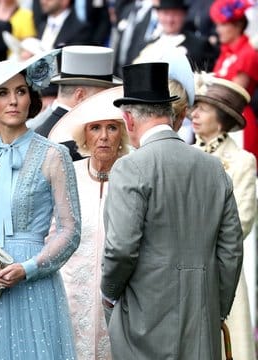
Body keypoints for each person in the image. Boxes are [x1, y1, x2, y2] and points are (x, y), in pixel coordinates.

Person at [101, 62, 243, 359]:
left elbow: (122, 248)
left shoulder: (131, 167)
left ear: (128, 119)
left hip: (144, 321)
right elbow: (231, 250)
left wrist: (109, 292)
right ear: (169, 114)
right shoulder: (213, 167)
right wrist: (217, 307)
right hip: (201, 318)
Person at [0, 55, 81, 359]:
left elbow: (70, 229)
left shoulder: (54, 154)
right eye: (2, 93)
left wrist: (29, 268)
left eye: (20, 91)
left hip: (33, 283)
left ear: (31, 98)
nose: (12, 101)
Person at [50, 86, 128, 360]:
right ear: (84, 134)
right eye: (95, 128)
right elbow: (52, 234)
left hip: (121, 298)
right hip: (71, 293)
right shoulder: (69, 173)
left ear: (123, 133)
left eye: (112, 128)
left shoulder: (134, 174)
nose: (104, 137)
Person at [190, 74, 256, 360]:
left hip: (222, 264)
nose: (193, 114)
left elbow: (242, 220)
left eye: (202, 109)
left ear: (221, 117)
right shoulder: (185, 153)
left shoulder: (242, 161)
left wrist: (198, 236)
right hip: (185, 267)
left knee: (228, 343)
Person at [35, 45, 122, 161]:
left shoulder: (38, 130)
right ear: (80, 95)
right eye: (102, 94)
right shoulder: (74, 142)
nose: (106, 100)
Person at [210, 0, 258, 164]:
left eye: (222, 25)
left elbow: (233, 93)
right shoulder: (226, 52)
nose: (218, 30)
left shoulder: (248, 53)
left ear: (237, 24)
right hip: (219, 117)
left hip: (237, 120)